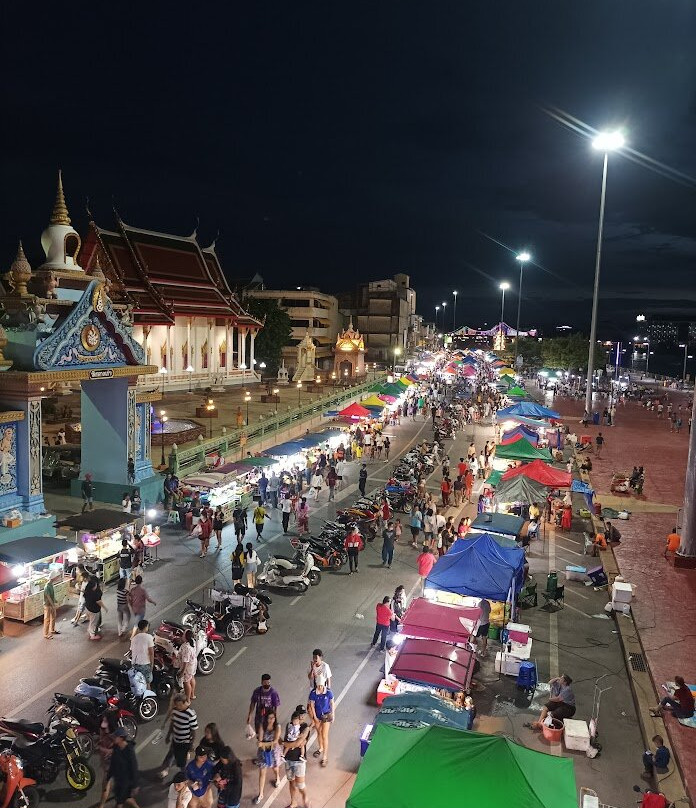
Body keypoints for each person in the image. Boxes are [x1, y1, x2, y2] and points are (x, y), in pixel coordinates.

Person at [160, 694, 198, 779]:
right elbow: (172, 724)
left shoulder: (191, 714)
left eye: (180, 705)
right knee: (170, 754)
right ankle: (166, 770)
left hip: (184, 743)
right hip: (175, 739)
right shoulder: (174, 710)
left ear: (185, 703)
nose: (178, 707)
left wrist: (191, 744)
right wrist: (168, 735)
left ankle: (184, 775)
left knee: (181, 761)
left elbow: (193, 731)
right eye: (176, 705)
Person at [282, 710, 311, 808]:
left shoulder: (305, 728)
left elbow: (299, 743)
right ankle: (293, 802)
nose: (302, 717)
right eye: (300, 715)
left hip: (299, 761)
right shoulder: (289, 725)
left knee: (300, 785)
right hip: (289, 759)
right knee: (291, 782)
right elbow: (286, 738)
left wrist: (285, 744)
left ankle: (305, 797)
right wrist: (285, 744)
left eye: (303, 715)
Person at [254, 712, 282, 803]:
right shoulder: (262, 726)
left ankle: (277, 778)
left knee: (275, 768)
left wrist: (263, 744)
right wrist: (262, 744)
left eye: (273, 718)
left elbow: (275, 742)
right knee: (262, 773)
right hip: (263, 752)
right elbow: (259, 742)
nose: (271, 720)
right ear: (266, 718)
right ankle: (261, 794)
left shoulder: (277, 727)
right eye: (269, 718)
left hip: (274, 752)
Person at [108, 728, 139, 808]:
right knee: (128, 799)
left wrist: (135, 785)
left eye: (115, 737)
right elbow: (113, 763)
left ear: (121, 738)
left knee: (119, 803)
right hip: (118, 780)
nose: (113, 738)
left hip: (126, 782)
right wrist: (108, 777)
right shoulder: (116, 747)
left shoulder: (129, 750)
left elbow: (134, 768)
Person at [308, 681, 334, 768]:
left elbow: (332, 703)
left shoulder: (329, 692)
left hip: (326, 715)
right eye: (318, 685)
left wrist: (333, 714)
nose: (320, 687)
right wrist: (314, 717)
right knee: (319, 733)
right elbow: (311, 705)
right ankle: (320, 748)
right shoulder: (313, 693)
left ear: (324, 685)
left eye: (321, 685)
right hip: (318, 716)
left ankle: (325, 757)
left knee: (324, 735)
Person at [130, 619, 154, 685]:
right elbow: (151, 653)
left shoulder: (134, 638)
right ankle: (148, 695)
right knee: (147, 683)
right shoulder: (149, 637)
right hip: (144, 664)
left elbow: (132, 650)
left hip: (135, 664)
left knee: (138, 684)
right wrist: (151, 665)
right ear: (146, 627)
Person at [85, 575, 107, 641]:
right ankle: (92, 635)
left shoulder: (87, 590)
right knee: (93, 622)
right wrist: (105, 608)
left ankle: (90, 630)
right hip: (94, 610)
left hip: (88, 608)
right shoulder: (95, 593)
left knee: (91, 621)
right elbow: (99, 601)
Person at [179, 629, 198, 702]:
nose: (182, 636)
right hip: (193, 664)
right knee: (192, 678)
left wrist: (182, 672)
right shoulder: (192, 642)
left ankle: (187, 699)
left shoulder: (185, 647)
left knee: (186, 682)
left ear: (186, 637)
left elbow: (185, 662)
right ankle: (192, 695)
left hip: (188, 667)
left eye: (183, 635)